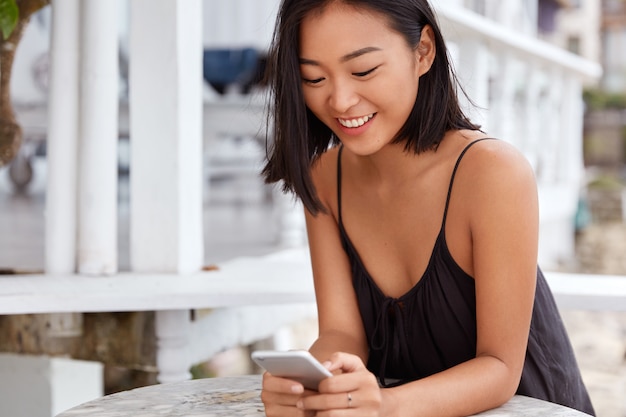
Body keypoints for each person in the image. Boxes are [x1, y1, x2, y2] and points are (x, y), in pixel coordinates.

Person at [260, 0, 595, 416]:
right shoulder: (326, 178)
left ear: (423, 52)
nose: (341, 100)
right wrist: (314, 383)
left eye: (363, 71)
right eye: (313, 77)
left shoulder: (492, 173)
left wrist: (385, 405)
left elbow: (500, 368)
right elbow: (342, 332)